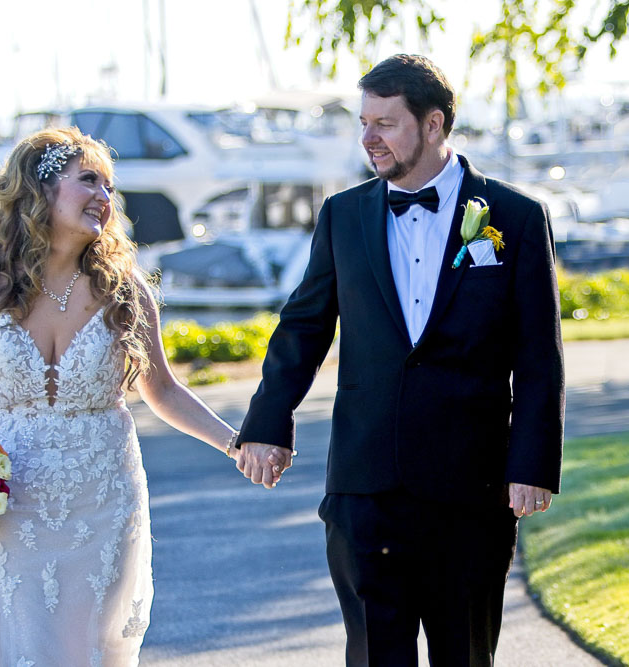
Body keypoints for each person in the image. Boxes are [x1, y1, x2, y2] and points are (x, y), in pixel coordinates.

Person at [234, 54, 565, 665]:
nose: (368, 138)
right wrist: (267, 422)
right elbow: (304, 325)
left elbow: (539, 354)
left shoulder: (514, 217)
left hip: (472, 486)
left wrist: (533, 464)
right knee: (372, 655)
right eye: (364, 122)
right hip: (365, 484)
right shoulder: (343, 215)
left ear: (434, 124)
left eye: (384, 123)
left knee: (463, 655)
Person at [0, 127, 260, 666]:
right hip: (8, 498)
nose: (105, 199)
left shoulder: (124, 290)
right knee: (14, 640)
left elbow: (164, 390)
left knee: (86, 646)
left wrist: (237, 444)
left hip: (102, 500)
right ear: (39, 190)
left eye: (110, 187)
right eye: (89, 181)